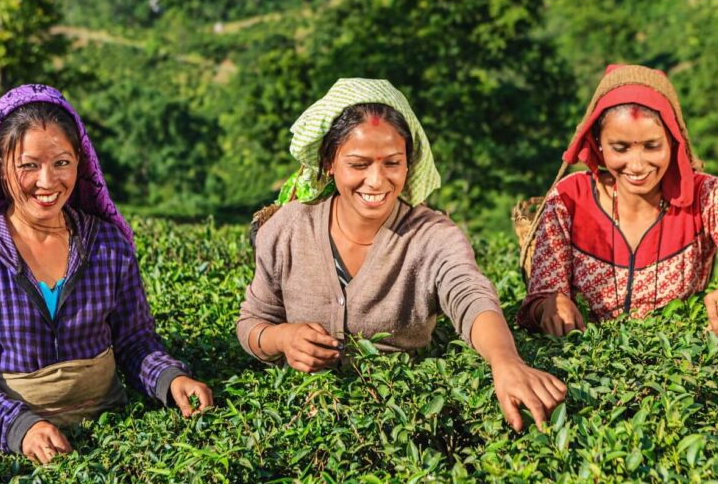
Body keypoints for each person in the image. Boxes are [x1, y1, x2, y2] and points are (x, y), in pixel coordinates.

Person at [236, 78, 566, 431]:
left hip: (403, 427)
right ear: (330, 162)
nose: (377, 181)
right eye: (359, 165)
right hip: (299, 427)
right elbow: (253, 322)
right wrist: (283, 339)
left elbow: (470, 296)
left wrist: (506, 362)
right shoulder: (287, 229)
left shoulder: (432, 236)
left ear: (408, 165)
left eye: (392, 163)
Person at [0, 84, 213, 464]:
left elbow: (134, 342)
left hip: (111, 434)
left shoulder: (106, 245)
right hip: (9, 451)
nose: (48, 182)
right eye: (28, 166)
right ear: (1, 167)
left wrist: (171, 380)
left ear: (80, 163)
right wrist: (22, 428)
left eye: (62, 163)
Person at [519, 65, 718, 337]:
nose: (637, 164)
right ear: (598, 143)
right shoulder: (570, 198)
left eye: (652, 146)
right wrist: (552, 307)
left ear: (673, 141)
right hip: (585, 370)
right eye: (620, 148)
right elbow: (539, 298)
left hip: (680, 366)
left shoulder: (706, 195)